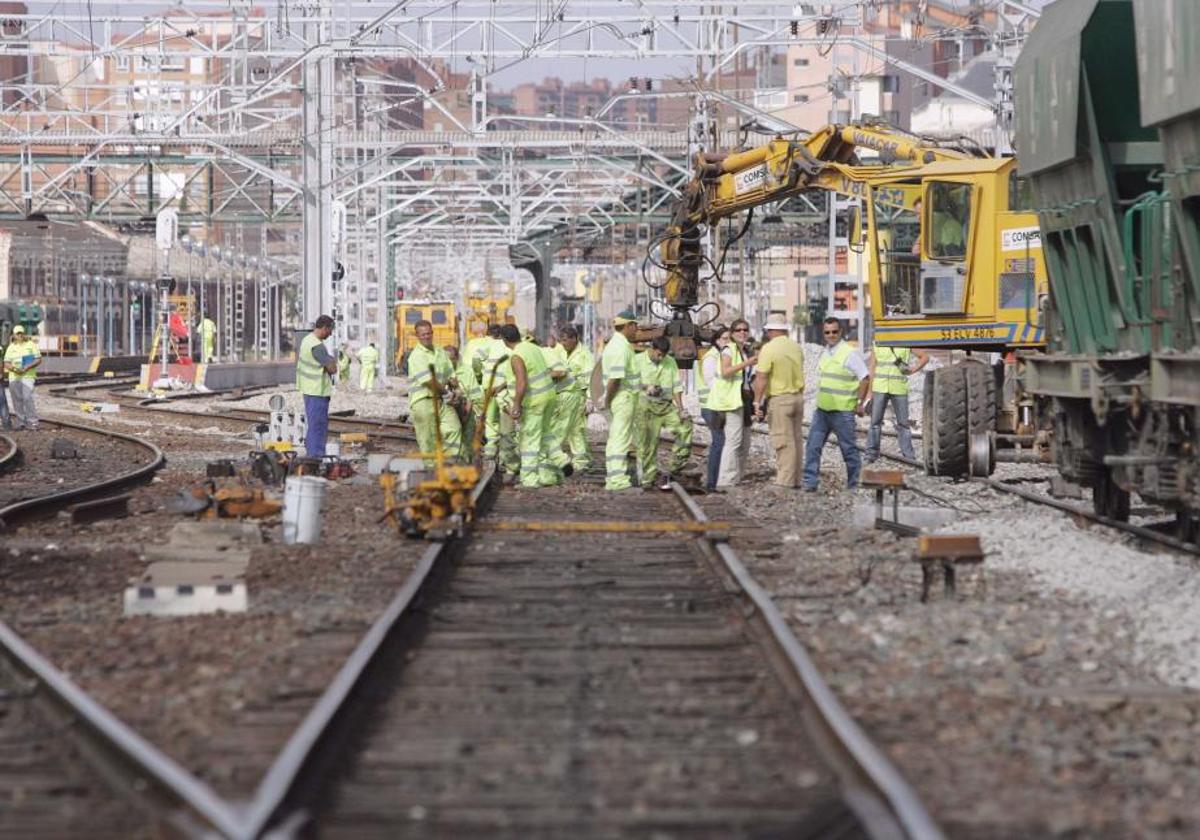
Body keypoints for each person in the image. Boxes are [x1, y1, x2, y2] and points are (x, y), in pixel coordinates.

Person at [802, 317, 871, 492]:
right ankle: (810, 483)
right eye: (827, 332)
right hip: (823, 410)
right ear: (823, 334)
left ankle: (854, 485)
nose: (831, 335)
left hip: (843, 412)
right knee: (813, 447)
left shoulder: (849, 353)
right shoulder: (826, 353)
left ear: (840, 332)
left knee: (849, 451)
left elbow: (865, 378)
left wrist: (859, 403)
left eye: (834, 331)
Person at [502, 323, 559, 488]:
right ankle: (547, 476)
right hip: (549, 396)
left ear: (505, 340)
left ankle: (529, 480)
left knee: (529, 441)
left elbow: (522, 382)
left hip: (535, 401)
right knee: (542, 437)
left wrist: (516, 405)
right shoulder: (532, 347)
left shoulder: (516, 356)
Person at [751, 318, 806, 488]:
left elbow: (761, 377)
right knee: (796, 441)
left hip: (780, 399)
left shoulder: (769, 348)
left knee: (783, 441)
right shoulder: (795, 347)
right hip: (797, 398)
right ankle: (796, 480)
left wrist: (757, 401)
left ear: (771, 331)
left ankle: (785, 482)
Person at [635, 335, 693, 490]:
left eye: (663, 355)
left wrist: (681, 409)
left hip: (666, 407)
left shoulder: (670, 362)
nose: (661, 358)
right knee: (648, 445)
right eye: (658, 354)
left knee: (685, 427)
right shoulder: (638, 361)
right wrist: (645, 387)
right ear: (651, 349)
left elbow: (676, 387)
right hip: (646, 409)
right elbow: (629, 382)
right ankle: (647, 480)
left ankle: (674, 467)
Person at [408, 319, 464, 465]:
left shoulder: (440, 351)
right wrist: (446, 392)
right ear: (417, 336)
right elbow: (428, 380)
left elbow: (450, 373)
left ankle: (449, 465)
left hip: (441, 400)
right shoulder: (416, 356)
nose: (426, 336)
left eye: (428, 333)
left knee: (453, 429)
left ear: (432, 333)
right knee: (429, 440)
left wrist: (456, 387)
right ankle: (432, 472)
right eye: (423, 334)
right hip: (423, 402)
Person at [865, 343, 929, 462]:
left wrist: (913, 370)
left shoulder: (905, 343)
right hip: (880, 387)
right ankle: (870, 454)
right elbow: (872, 368)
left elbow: (925, 357)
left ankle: (908, 456)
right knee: (875, 423)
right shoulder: (877, 344)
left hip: (899, 388)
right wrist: (870, 392)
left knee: (903, 424)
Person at [712, 319, 757, 487]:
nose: (742, 332)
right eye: (738, 330)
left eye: (745, 330)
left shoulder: (744, 350)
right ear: (732, 333)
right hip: (731, 400)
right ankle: (726, 479)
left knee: (745, 441)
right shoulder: (728, 350)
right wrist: (747, 363)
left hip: (743, 398)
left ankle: (737, 475)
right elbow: (725, 372)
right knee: (734, 440)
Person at [601, 311, 641, 491]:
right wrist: (607, 400)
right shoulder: (621, 347)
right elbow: (615, 379)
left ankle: (613, 479)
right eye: (635, 325)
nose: (637, 329)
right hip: (623, 398)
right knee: (621, 440)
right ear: (627, 326)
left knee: (616, 438)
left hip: (621, 398)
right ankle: (618, 480)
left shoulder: (616, 344)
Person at [551, 324, 595, 474]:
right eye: (561, 340)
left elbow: (591, 379)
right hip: (560, 395)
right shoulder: (558, 350)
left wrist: (590, 400)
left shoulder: (585, 355)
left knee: (564, 429)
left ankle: (557, 459)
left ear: (575, 339)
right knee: (576, 430)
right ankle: (582, 460)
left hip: (576, 395)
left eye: (565, 340)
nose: (563, 343)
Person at [296, 315, 337, 457]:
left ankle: (312, 454)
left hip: (309, 389)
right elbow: (332, 369)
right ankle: (316, 457)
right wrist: (332, 361)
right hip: (317, 391)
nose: (330, 334)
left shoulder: (307, 340)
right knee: (318, 427)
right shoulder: (317, 346)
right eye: (330, 330)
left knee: (313, 426)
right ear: (324, 328)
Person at [697, 326, 730, 493]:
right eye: (724, 339)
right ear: (717, 341)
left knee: (720, 441)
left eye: (729, 339)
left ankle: (714, 482)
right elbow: (712, 382)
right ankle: (711, 483)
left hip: (716, 405)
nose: (728, 342)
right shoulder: (711, 358)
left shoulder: (721, 356)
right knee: (719, 442)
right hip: (711, 406)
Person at [3, 324, 42, 431]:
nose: (19, 335)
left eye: (21, 333)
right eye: (17, 333)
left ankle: (33, 422)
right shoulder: (11, 347)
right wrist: (14, 369)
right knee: (17, 399)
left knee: (27, 397)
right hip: (14, 376)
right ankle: (21, 422)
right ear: (14, 335)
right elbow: (6, 362)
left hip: (28, 375)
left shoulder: (31, 344)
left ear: (23, 333)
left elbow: (38, 359)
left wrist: (27, 367)